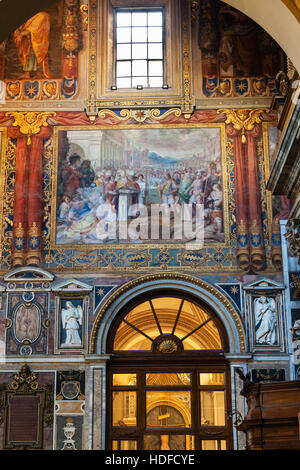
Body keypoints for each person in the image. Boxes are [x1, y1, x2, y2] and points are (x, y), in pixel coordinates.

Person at [13, 11, 51, 79]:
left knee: (36, 55)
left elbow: (34, 28)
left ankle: (38, 73)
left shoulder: (41, 15)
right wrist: (18, 32)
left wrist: (22, 34)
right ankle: (27, 73)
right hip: (27, 41)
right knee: (28, 56)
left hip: (37, 40)